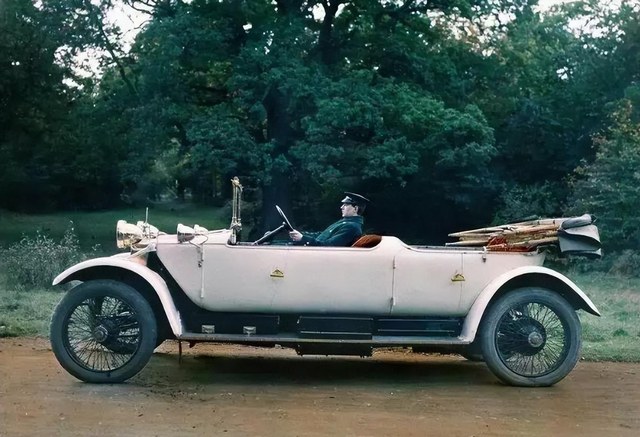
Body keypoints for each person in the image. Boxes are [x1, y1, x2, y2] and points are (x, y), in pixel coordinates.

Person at [289, 192, 370, 246]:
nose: (341, 207)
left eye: (346, 204)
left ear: (355, 209)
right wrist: (301, 235)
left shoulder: (352, 227)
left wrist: (303, 238)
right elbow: (322, 235)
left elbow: (329, 246)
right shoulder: (346, 223)